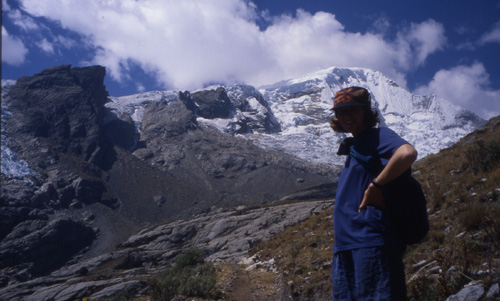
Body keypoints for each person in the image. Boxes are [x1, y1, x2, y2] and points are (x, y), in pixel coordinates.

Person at [329, 86, 418, 300]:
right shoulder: (355, 146)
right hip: (345, 245)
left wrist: (376, 186)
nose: (347, 116)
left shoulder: (378, 136)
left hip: (370, 241)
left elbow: (408, 153)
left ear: (366, 112)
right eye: (342, 111)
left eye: (353, 110)